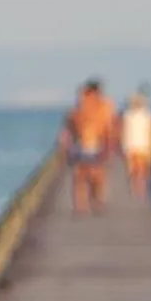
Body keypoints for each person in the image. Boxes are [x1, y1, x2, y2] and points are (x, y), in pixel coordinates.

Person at [60, 78, 118, 213]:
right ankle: (83, 204)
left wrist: (109, 143)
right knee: (82, 175)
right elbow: (69, 126)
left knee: (94, 174)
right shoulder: (81, 107)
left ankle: (92, 199)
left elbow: (108, 126)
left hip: (94, 144)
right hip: (83, 144)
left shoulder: (103, 106)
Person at [120, 87, 151, 197]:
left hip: (130, 145)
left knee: (133, 169)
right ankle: (141, 187)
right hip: (144, 145)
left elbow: (123, 130)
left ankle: (134, 186)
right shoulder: (148, 115)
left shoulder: (127, 115)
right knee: (142, 169)